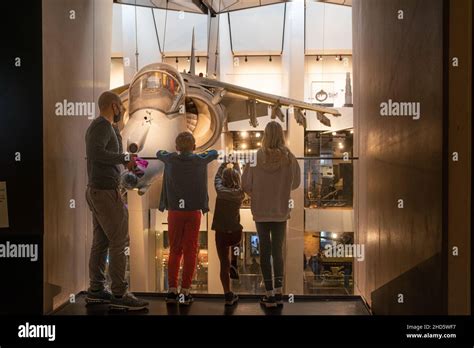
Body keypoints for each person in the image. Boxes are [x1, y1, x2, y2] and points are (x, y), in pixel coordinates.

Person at [85, 91, 149, 310]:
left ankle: (96, 290)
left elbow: (104, 153)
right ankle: (120, 294)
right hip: (104, 192)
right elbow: (96, 153)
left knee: (102, 241)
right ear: (114, 105)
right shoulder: (100, 126)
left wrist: (125, 158)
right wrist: (124, 158)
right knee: (119, 241)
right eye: (120, 106)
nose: (122, 110)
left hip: (101, 191)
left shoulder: (107, 127)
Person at [242, 121, 301, 308]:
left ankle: (268, 295)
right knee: (278, 252)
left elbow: (245, 185)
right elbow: (296, 183)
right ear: (281, 135)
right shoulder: (289, 158)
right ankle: (278, 293)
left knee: (265, 252)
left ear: (265, 135)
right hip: (280, 211)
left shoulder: (255, 157)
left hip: (261, 211)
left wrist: (257, 193)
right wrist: (281, 189)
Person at [157, 132, 218, 306]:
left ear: (176, 147)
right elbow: (214, 153)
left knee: (175, 250)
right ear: (193, 146)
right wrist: (198, 153)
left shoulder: (170, 159)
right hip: (193, 211)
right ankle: (185, 291)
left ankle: (171, 291)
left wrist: (173, 153)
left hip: (175, 211)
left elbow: (158, 153)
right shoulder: (199, 160)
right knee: (191, 250)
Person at [211, 161, 245, 306]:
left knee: (222, 263)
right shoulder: (240, 193)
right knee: (237, 241)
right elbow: (240, 179)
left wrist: (223, 164)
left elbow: (216, 178)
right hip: (235, 232)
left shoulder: (220, 190)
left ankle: (228, 295)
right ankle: (234, 262)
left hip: (221, 233)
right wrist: (237, 166)